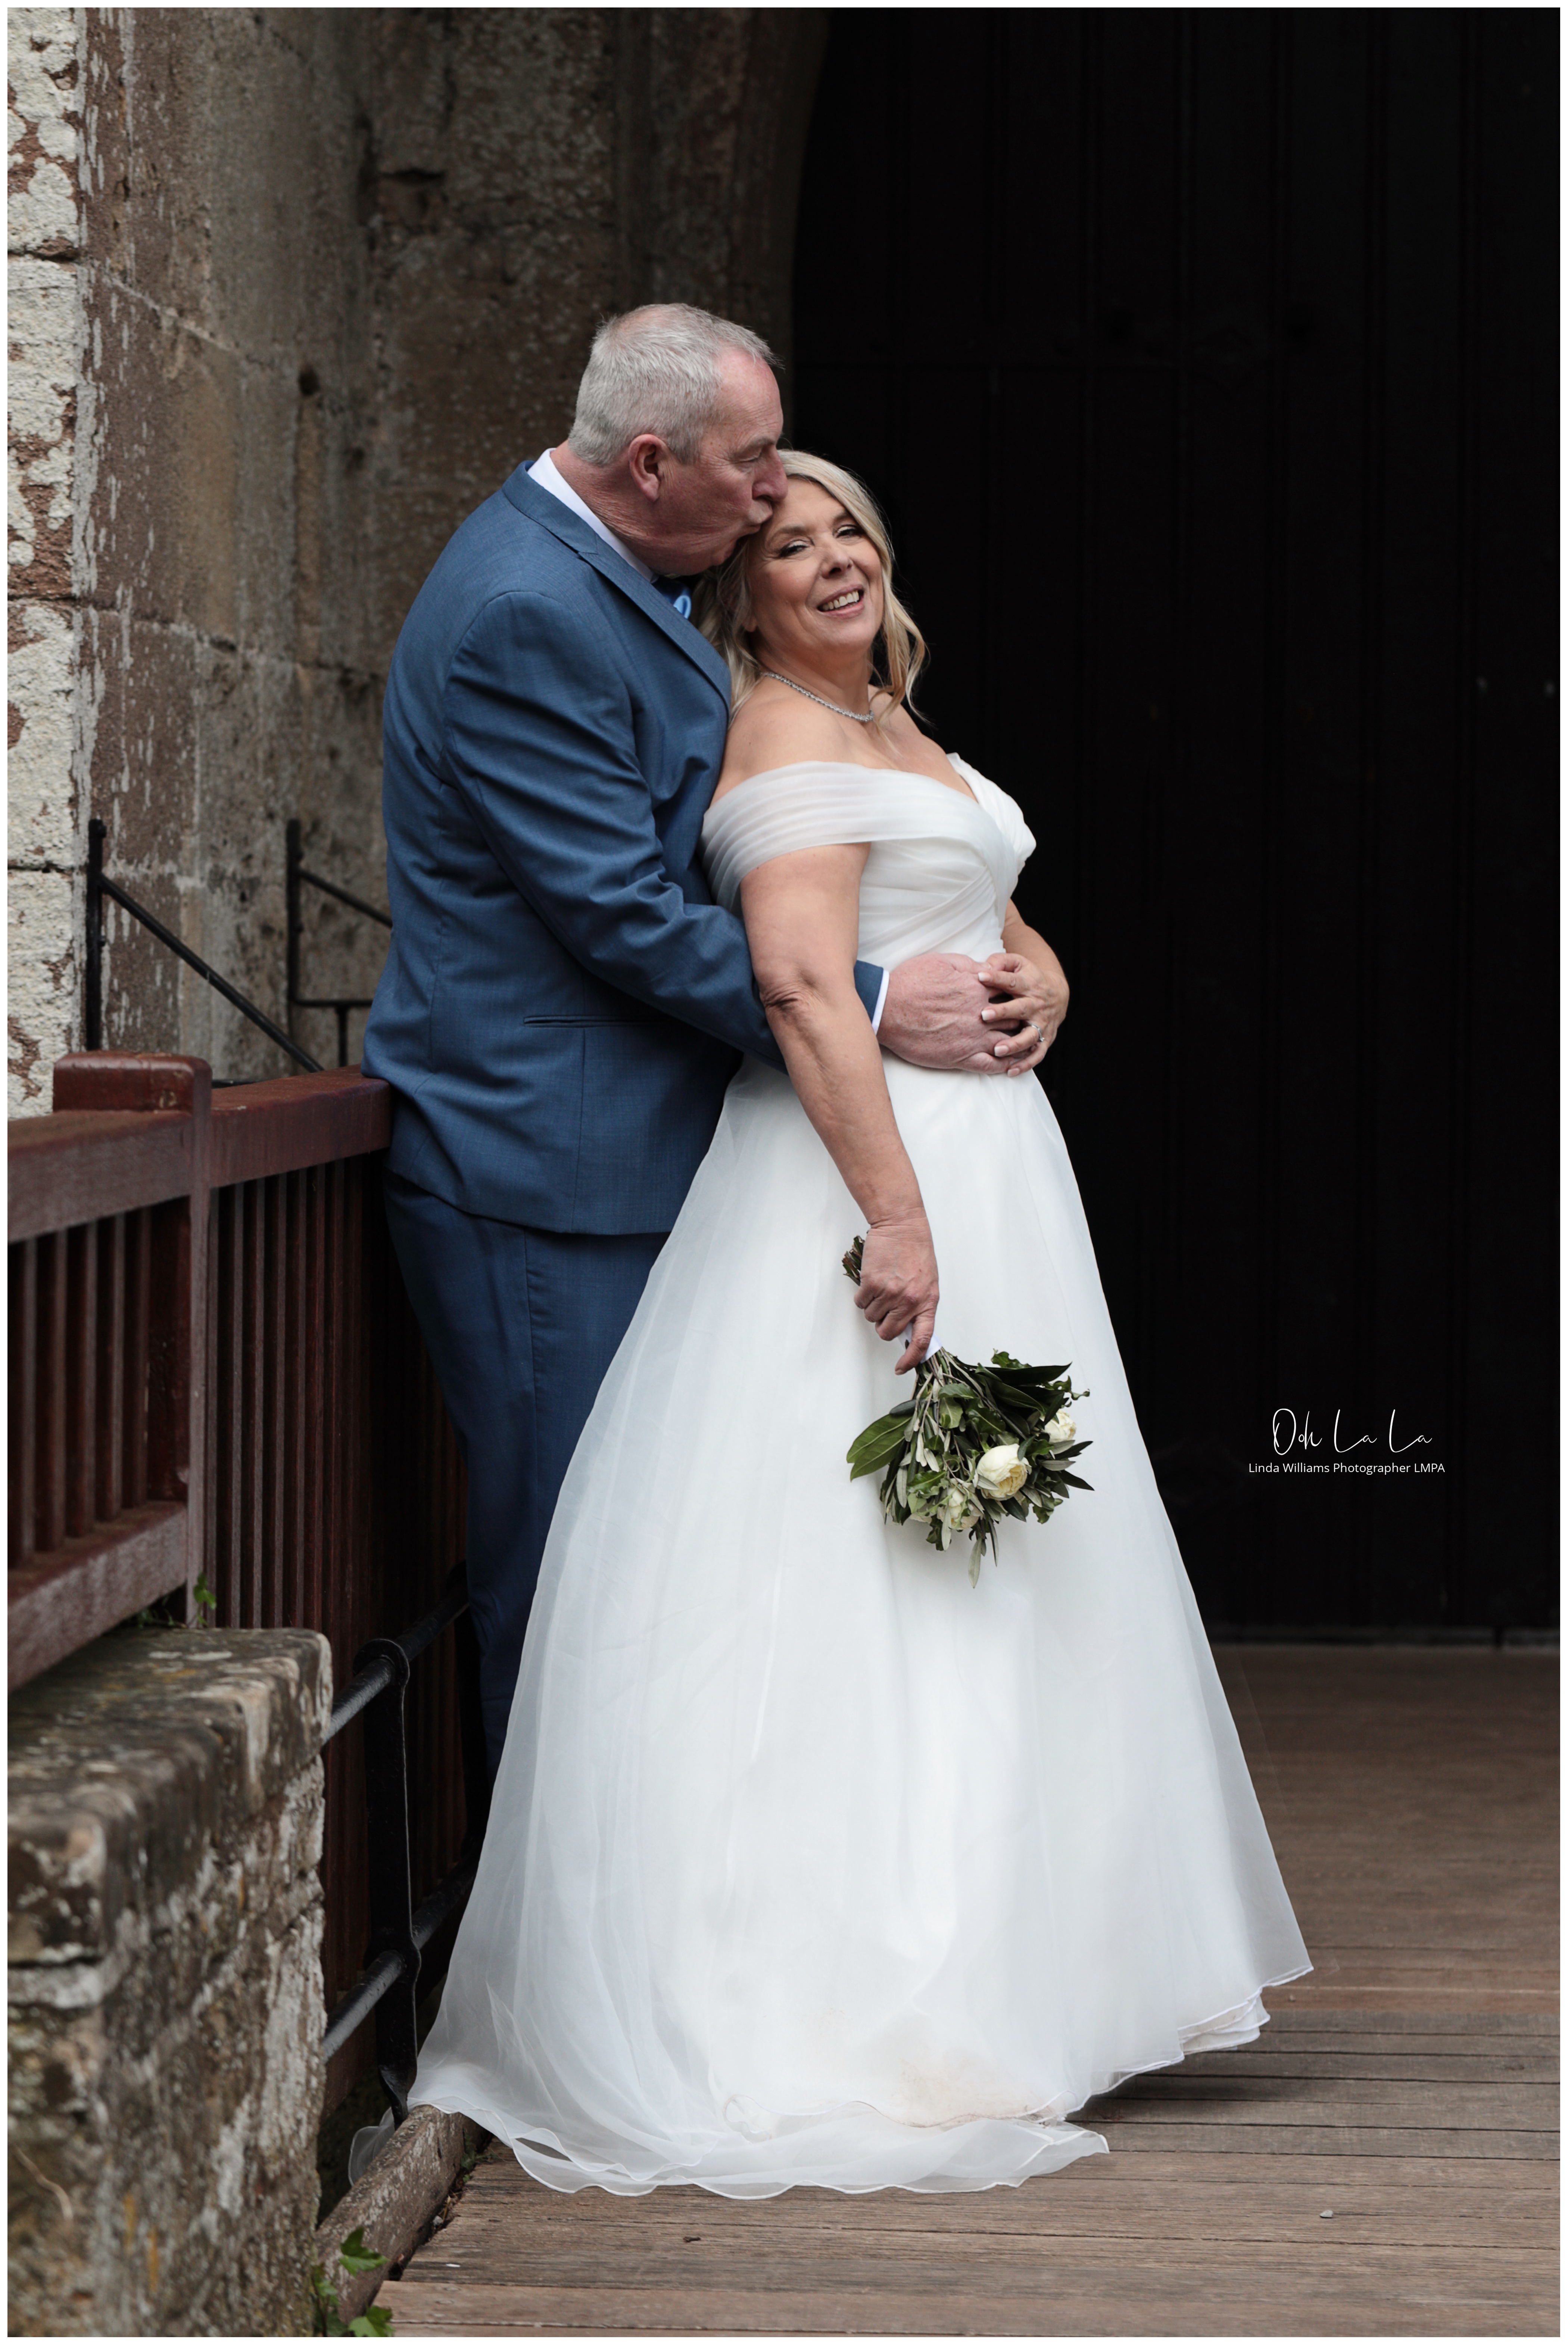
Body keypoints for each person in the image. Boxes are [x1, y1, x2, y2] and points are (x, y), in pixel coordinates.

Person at [408, 452, 1310, 2195]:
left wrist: (1046, 963)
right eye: (786, 542)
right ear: (735, 595)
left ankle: (1019, 1957)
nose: (826, 557)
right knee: (860, 1563)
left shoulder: (901, 727)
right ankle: (853, 1983)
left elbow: (974, 904)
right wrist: (893, 1213)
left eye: (845, 530)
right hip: (867, 1173)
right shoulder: (787, 739)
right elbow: (805, 983)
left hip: (997, 1169)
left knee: (1000, 1563)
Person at [361, 309, 1059, 1772]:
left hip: (654, 1156)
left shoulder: (630, 584)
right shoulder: (522, 613)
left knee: (674, 1572)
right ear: (650, 460)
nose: (771, 497)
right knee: (570, 1573)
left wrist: (1014, 957)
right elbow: (619, 913)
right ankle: (555, 1979)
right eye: (752, 471)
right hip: (545, 1171)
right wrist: (867, 998)